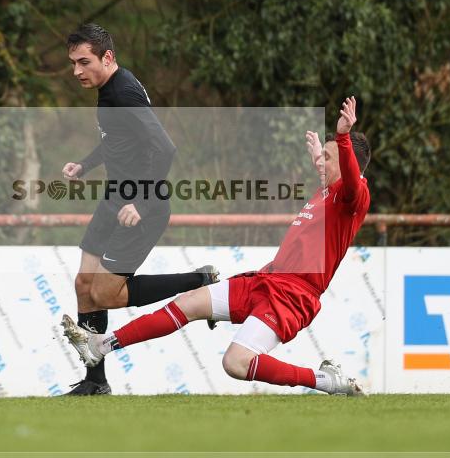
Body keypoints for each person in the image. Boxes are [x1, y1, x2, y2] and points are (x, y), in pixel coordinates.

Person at [62, 96, 371, 396]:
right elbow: (330, 171)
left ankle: (325, 380)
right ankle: (100, 345)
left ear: (350, 164)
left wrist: (342, 137)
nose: (321, 163)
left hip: (293, 297)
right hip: (265, 280)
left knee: (235, 363)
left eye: (329, 159)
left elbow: (351, 183)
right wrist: (322, 153)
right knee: (189, 303)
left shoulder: (353, 198)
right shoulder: (329, 190)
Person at [61, 23, 218, 395]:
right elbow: (115, 141)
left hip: (141, 204)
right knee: (84, 284)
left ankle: (200, 281)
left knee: (106, 294)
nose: (77, 71)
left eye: (84, 62)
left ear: (108, 57)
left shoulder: (125, 93)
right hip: (115, 197)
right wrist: (84, 165)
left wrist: (142, 201)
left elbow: (165, 149)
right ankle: (95, 382)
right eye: (73, 63)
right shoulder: (107, 89)